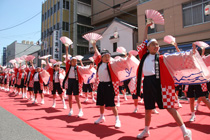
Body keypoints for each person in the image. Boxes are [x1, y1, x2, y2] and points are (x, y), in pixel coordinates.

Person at [136, 23, 192, 139]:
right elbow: (144, 40)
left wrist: (190, 54)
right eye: (153, 44)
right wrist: (146, 27)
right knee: (148, 109)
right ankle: (146, 130)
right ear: (147, 47)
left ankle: (185, 131)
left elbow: (177, 57)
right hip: (147, 83)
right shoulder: (143, 56)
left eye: (157, 44)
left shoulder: (162, 58)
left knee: (170, 108)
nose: (155, 46)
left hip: (159, 84)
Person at [92, 41, 132, 128]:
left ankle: (117, 119)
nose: (107, 58)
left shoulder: (112, 64)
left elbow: (120, 62)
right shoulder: (99, 63)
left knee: (112, 104)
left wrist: (127, 58)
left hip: (109, 86)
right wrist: (94, 45)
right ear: (102, 58)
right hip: (101, 85)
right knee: (101, 103)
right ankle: (102, 117)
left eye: (108, 56)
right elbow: (97, 53)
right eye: (105, 56)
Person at [63, 46, 93, 117]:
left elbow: (84, 68)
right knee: (69, 97)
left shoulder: (78, 67)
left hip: (76, 82)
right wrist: (67, 49)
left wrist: (89, 67)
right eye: (73, 61)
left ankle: (80, 111)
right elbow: (67, 57)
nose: (74, 62)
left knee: (77, 97)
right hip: (70, 81)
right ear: (70, 62)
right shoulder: (68, 66)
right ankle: (71, 110)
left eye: (75, 61)